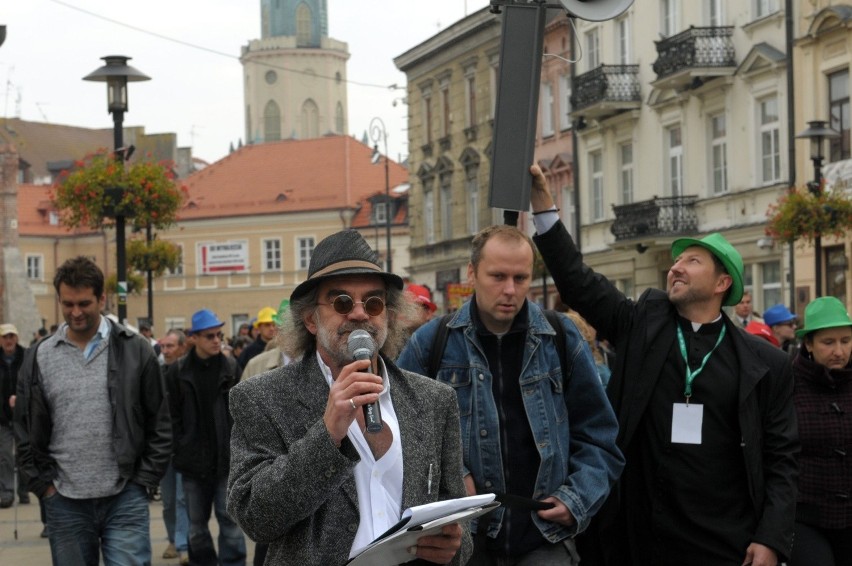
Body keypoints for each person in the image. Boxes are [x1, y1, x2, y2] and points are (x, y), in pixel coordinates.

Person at [528, 165, 798, 566]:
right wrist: (543, 206)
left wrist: (771, 538)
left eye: (692, 260)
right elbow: (577, 281)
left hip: (725, 538)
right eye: (676, 260)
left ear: (723, 283)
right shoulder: (642, 324)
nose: (676, 267)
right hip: (640, 533)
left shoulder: (766, 362)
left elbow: (782, 459)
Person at [227, 229, 472, 566]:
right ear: (311, 319)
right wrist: (327, 434)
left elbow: (454, 516)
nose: (359, 313)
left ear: (387, 314)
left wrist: (455, 546)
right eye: (342, 302)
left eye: (373, 302)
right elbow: (256, 517)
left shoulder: (434, 400)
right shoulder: (261, 398)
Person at [397, 225, 622, 565]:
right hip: (462, 539)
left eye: (520, 278)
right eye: (498, 276)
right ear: (472, 273)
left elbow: (600, 436)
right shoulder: (432, 343)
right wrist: (454, 474)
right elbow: (402, 433)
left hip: (543, 537)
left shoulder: (560, 338)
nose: (510, 290)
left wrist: (577, 499)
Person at [14, 255, 172, 565]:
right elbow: (23, 426)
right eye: (68, 304)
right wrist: (43, 486)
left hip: (125, 495)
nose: (75, 312)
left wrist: (143, 481)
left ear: (102, 298)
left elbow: (160, 422)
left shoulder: (135, 349)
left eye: (84, 303)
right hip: (63, 499)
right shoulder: (39, 356)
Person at [165, 309, 246, 566]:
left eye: (219, 334)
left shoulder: (231, 367)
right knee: (196, 527)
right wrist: (180, 447)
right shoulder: (178, 372)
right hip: (192, 464)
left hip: (225, 461)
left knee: (230, 523)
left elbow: (240, 413)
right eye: (209, 335)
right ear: (194, 338)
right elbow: (171, 416)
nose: (216, 340)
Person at [788, 296, 852, 566]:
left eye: (846, 341)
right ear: (809, 344)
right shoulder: (787, 383)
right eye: (828, 342)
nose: (839, 351)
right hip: (804, 516)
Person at [158, 328, 189, 564]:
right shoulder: (156, 372)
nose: (166, 351)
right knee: (168, 500)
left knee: (181, 498)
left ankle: (182, 545)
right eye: (163, 347)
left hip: (184, 445)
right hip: (162, 447)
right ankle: (172, 538)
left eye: (170, 346)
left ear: (182, 347)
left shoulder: (188, 372)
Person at [1, 323, 27, 507]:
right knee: (4, 455)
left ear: (16, 338)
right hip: (1, 417)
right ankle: (6, 491)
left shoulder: (26, 357)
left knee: (24, 454)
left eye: (11, 336)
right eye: (5, 337)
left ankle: (24, 490)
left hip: (23, 416)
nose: (8, 340)